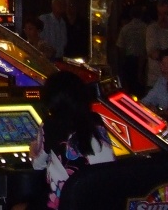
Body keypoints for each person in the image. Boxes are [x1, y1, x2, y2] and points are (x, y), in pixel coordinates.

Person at [13, 71, 114, 210]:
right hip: (102, 200)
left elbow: (37, 165)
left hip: (67, 201)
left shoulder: (50, 124)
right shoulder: (96, 120)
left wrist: (33, 150)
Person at [114, 4, 148, 97]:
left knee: (129, 87)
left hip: (129, 60)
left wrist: (122, 61)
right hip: (143, 60)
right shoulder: (146, 28)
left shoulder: (125, 28)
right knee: (141, 86)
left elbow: (121, 47)